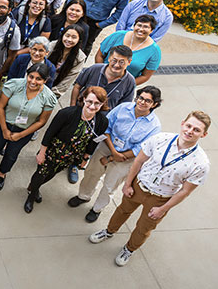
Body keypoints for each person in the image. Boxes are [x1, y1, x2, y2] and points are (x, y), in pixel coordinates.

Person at [88, 111, 211, 267]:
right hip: (139, 186)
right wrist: (128, 184)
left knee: (144, 228)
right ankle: (109, 231)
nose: (190, 131)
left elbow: (185, 191)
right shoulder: (160, 139)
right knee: (122, 211)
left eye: (196, 130)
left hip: (160, 198)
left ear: (203, 134)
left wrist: (163, 209)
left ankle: (129, 249)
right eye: (188, 126)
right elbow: (138, 162)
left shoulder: (201, 163)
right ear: (182, 124)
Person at [71, 86, 162, 222]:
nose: (142, 102)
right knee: (91, 173)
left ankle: (97, 209)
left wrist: (114, 158)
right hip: (107, 145)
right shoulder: (123, 108)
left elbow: (142, 148)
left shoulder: (154, 126)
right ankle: (83, 196)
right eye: (141, 98)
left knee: (110, 186)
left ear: (154, 104)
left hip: (128, 158)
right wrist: (113, 152)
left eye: (147, 101)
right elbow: (106, 127)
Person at [23, 86, 109, 213]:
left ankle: (35, 188)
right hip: (53, 150)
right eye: (90, 101)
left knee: (52, 173)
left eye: (97, 103)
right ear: (84, 99)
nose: (92, 106)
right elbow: (49, 133)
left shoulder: (102, 121)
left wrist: (86, 157)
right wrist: (42, 152)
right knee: (41, 174)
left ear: (102, 104)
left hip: (72, 155)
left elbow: (93, 142)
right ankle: (31, 195)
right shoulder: (67, 113)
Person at [0, 63, 57, 191]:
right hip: (3, 122)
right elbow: (0, 107)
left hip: (25, 130)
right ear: (27, 75)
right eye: (31, 77)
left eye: (38, 79)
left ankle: (2, 173)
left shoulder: (49, 98)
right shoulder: (14, 84)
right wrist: (4, 129)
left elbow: (41, 121)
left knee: (11, 154)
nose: (33, 81)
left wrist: (21, 134)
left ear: (45, 80)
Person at [68, 45, 137, 183]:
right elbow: (77, 87)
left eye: (122, 62)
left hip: (100, 121)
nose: (116, 65)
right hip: (80, 111)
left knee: (87, 143)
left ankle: (74, 165)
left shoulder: (129, 82)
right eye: (114, 60)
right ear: (109, 58)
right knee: (68, 135)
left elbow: (124, 108)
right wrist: (72, 107)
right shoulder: (94, 69)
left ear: (129, 62)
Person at [96, 15, 162, 85]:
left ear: (151, 30)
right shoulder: (117, 36)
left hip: (123, 85)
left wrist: (126, 85)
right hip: (101, 77)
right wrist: (101, 74)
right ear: (134, 26)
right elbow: (100, 55)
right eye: (139, 25)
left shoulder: (154, 51)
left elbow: (145, 76)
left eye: (146, 27)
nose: (141, 29)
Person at [46, 24, 87, 99]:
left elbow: (69, 80)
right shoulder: (51, 46)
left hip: (54, 91)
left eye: (74, 37)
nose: (69, 40)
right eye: (67, 35)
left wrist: (51, 94)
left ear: (79, 40)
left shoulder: (80, 58)